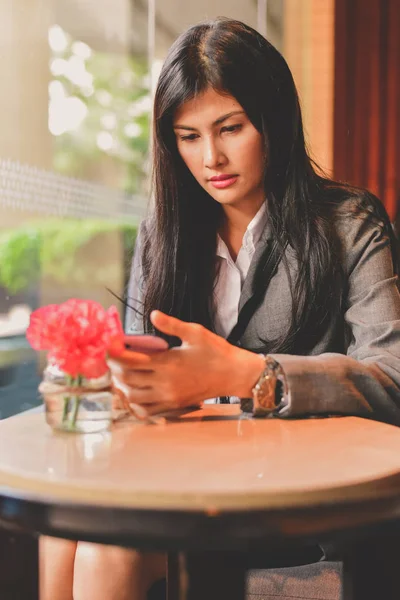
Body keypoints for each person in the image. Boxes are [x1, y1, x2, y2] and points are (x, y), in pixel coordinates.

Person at [40, 17, 400, 600]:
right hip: (185, 489)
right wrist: (123, 383)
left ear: (272, 121)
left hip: (298, 509)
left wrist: (249, 375)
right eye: (188, 136)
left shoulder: (348, 223)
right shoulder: (163, 232)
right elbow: (140, 385)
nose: (211, 157)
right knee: (66, 530)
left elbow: (393, 379)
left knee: (101, 548)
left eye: (229, 128)